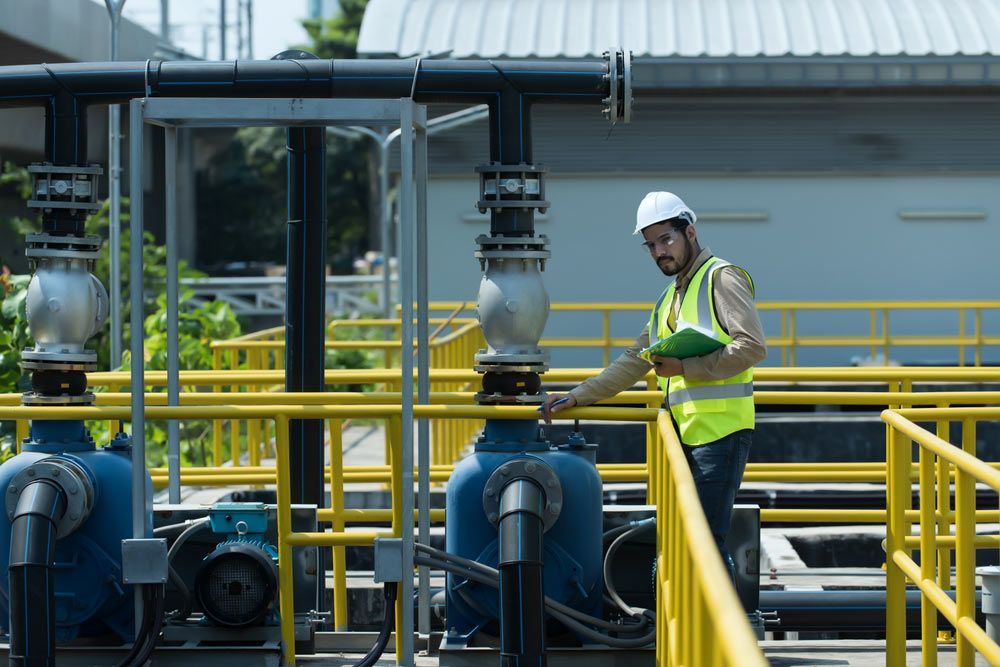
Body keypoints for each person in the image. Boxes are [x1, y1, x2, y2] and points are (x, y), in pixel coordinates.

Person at [541, 191, 766, 582]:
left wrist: (687, 366)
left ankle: (721, 636)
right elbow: (634, 361)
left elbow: (751, 346)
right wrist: (578, 395)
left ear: (689, 231)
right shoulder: (668, 297)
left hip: (720, 434)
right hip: (684, 436)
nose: (659, 251)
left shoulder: (721, 277)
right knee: (687, 540)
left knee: (707, 543)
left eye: (666, 239)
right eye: (651, 245)